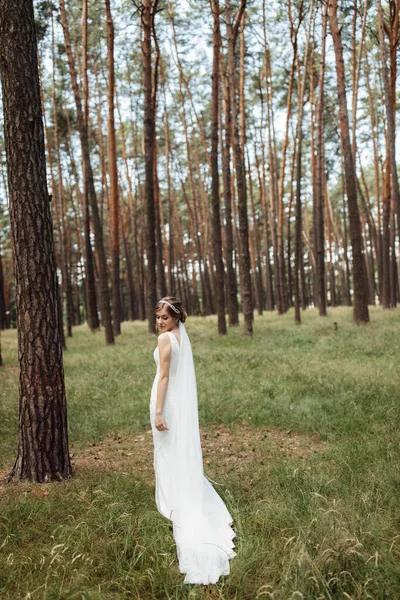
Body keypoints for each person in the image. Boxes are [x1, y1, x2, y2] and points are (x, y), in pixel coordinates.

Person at [149, 296, 236, 584]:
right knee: (176, 452)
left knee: (168, 452)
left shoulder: (165, 340)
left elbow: (164, 377)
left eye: (165, 317)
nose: (160, 322)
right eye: (158, 317)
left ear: (176, 318)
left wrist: (159, 411)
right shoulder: (180, 338)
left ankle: (175, 498)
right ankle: (182, 489)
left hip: (168, 403)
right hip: (179, 403)